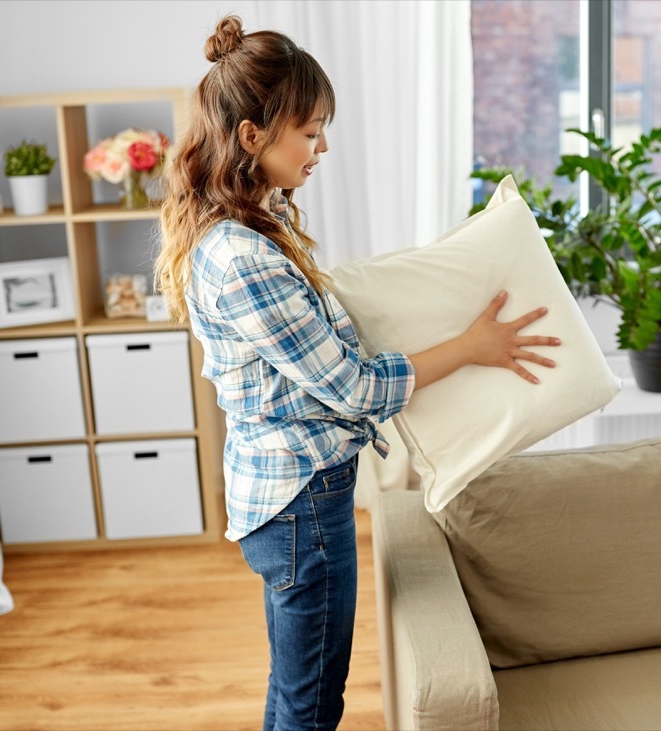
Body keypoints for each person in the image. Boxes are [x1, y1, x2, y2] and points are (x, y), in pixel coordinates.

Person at [153, 15, 560, 731]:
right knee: (312, 704)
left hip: (292, 494)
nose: (322, 147)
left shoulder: (250, 222)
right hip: (301, 503)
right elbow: (354, 388)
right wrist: (472, 345)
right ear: (253, 137)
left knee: (295, 689)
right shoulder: (244, 259)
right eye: (309, 132)